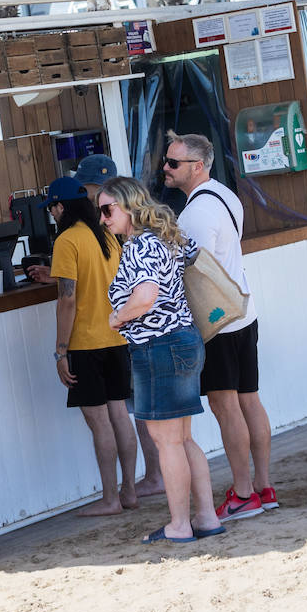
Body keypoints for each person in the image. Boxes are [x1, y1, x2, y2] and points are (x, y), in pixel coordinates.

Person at [98, 176, 224, 544]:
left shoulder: (139, 246)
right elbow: (194, 258)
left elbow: (146, 296)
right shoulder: (168, 237)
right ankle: (206, 516)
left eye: (108, 210)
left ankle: (180, 525)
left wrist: (117, 317)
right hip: (184, 340)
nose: (104, 219)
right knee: (183, 439)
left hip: (158, 346)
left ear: (129, 206)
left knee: (167, 442)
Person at [163, 131, 277, 521]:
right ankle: (262, 486)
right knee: (250, 400)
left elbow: (195, 271)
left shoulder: (194, 213)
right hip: (243, 309)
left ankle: (243, 493)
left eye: (173, 163)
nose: (165, 168)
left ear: (197, 166)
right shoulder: (225, 195)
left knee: (226, 407)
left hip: (218, 321)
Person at [28, 176, 139, 516]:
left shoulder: (67, 239)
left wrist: (61, 350)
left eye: (52, 208)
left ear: (61, 207)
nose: (52, 215)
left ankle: (109, 499)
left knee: (99, 423)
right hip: (117, 337)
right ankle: (129, 492)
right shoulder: (107, 235)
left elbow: (68, 300)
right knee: (119, 414)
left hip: (86, 343)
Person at [72, 153, 164, 500]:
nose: (98, 207)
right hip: (134, 332)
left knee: (145, 412)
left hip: (132, 330)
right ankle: (153, 477)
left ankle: (153, 477)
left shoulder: (122, 233)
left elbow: (144, 291)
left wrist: (120, 315)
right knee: (143, 411)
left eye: (103, 203)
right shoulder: (122, 231)